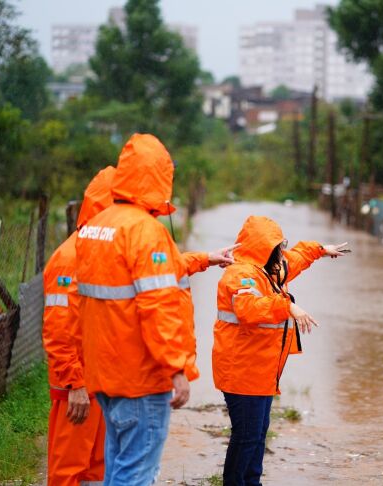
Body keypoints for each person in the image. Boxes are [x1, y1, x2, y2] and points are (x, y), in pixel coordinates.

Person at [75, 133, 236, 485]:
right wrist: (176, 368)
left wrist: (205, 258)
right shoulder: (147, 231)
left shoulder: (95, 228)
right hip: (140, 378)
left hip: (104, 374)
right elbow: (158, 306)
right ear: (159, 177)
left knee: (117, 468)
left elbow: (89, 302)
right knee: (135, 475)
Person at [213, 215, 348, 486]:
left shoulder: (271, 268)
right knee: (247, 436)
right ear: (263, 248)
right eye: (275, 247)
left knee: (257, 434)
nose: (281, 253)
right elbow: (249, 308)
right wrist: (287, 306)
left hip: (262, 373)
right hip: (242, 372)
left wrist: (321, 250)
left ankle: (252, 483)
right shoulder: (242, 275)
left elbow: (296, 257)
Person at [43, 166, 115, 486]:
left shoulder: (100, 254)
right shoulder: (70, 258)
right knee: (69, 471)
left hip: (98, 386)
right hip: (78, 389)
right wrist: (75, 385)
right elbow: (58, 330)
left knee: (96, 471)